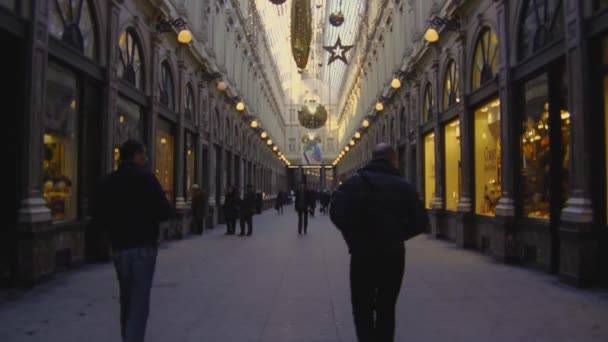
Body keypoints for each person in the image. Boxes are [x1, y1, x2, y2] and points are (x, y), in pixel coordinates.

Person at [330, 143, 428, 342]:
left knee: (361, 306)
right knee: (386, 306)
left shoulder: (352, 183)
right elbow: (421, 222)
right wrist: (397, 235)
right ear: (393, 160)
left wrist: (353, 237)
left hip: (361, 256)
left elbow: (335, 212)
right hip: (393, 256)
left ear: (372, 158)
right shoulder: (404, 186)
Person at [94, 139, 172, 342]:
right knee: (139, 302)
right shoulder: (147, 179)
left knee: (126, 299)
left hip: (119, 248)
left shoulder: (108, 181)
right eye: (143, 154)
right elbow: (165, 212)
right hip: (144, 247)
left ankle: (127, 337)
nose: (145, 158)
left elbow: (99, 216)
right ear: (137, 155)